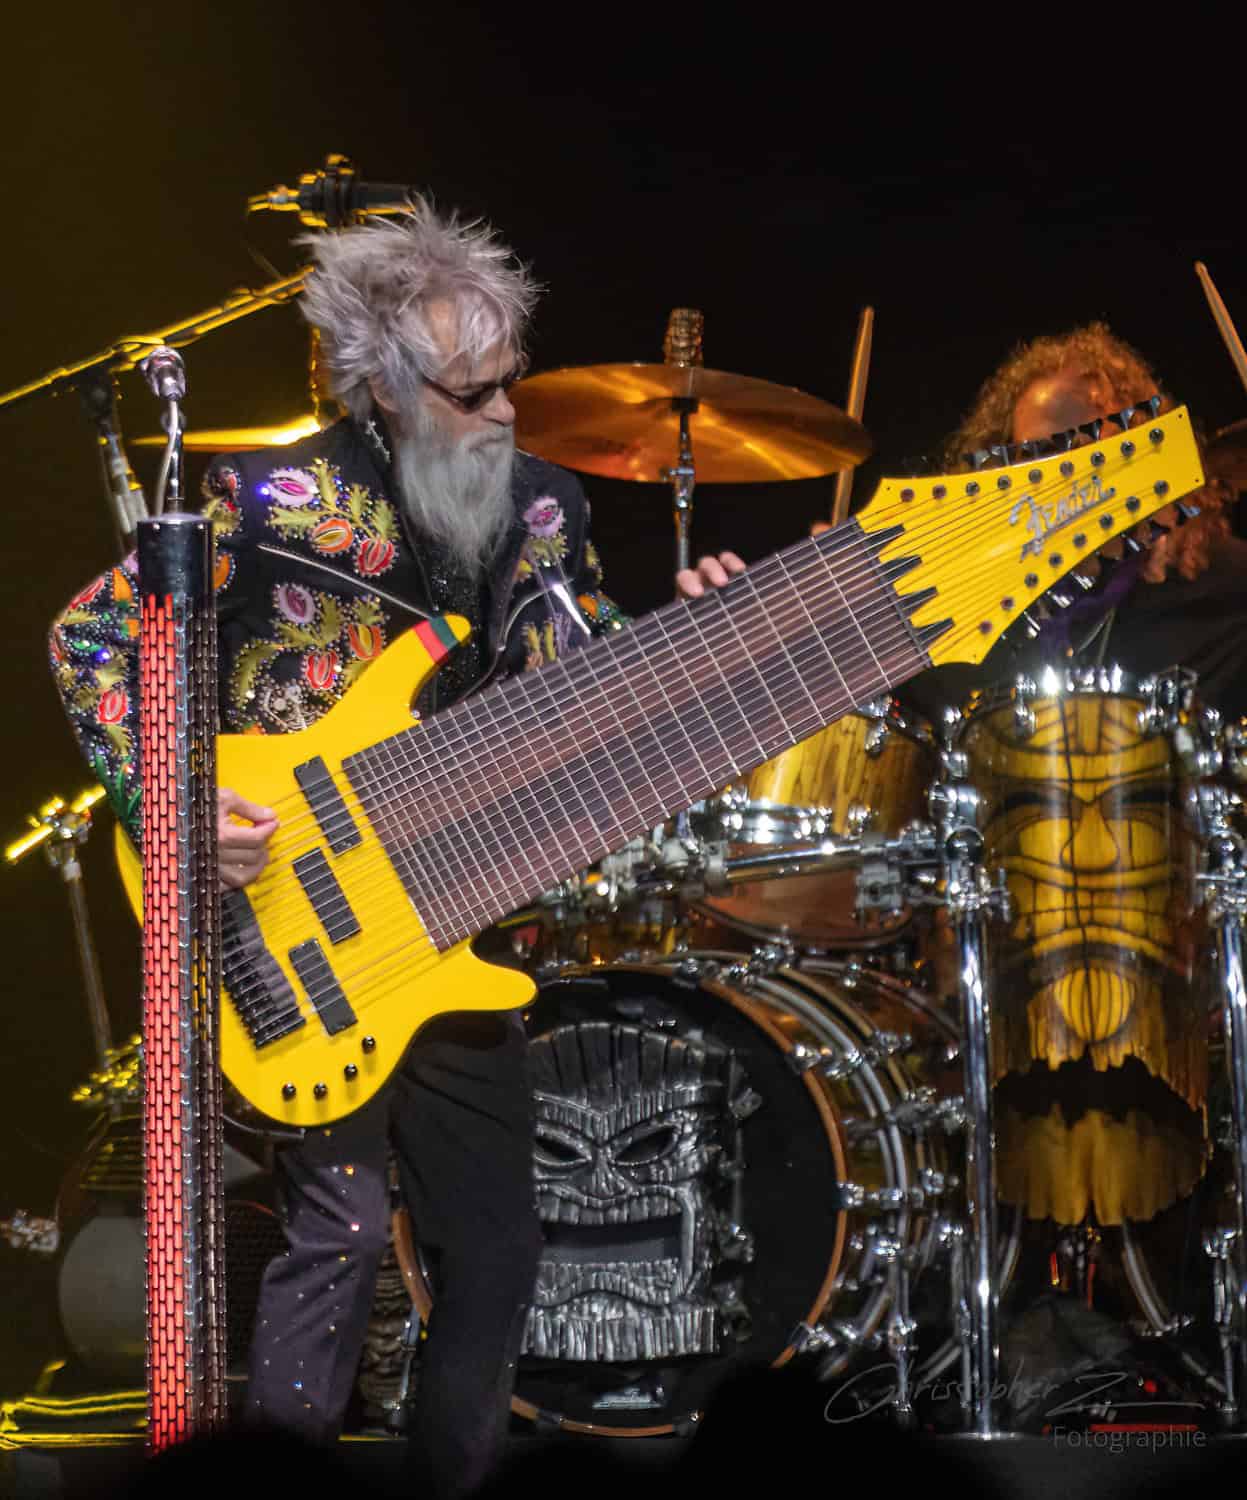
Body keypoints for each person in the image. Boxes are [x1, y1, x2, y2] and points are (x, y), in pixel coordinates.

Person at [48, 204, 740, 1496]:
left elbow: (584, 675)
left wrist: (700, 638)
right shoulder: (265, 500)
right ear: (379, 384)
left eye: (510, 381)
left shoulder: (542, 508)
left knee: (499, 1249)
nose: (503, 413)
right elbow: (90, 642)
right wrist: (175, 804)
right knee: (346, 1228)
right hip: (285, 923)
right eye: (470, 392)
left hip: (446, 922)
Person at [900, 321, 1247, 1237]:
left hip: (1183, 954)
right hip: (993, 952)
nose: (1055, 476)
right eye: (1031, 458)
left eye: (1081, 451)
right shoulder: (961, 621)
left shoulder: (1220, 593)